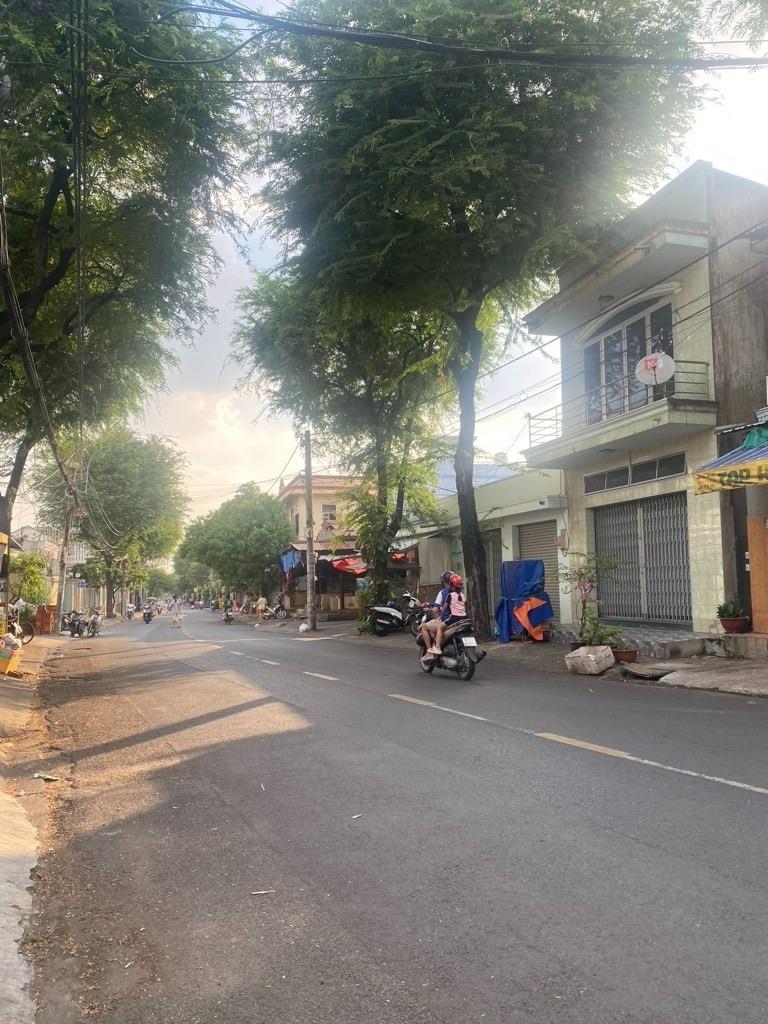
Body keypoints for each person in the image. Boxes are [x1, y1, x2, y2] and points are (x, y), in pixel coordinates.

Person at [431, 573, 467, 656]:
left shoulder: (449, 595)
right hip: (464, 617)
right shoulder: (462, 595)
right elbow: (465, 606)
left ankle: (437, 647)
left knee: (440, 627)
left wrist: (440, 616)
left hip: (454, 618)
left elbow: (443, 608)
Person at [420, 571, 453, 658]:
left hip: (447, 620)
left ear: (443, 582)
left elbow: (436, 610)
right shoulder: (459, 593)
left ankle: (430, 651)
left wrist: (436, 614)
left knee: (424, 627)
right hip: (460, 620)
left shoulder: (443, 593)